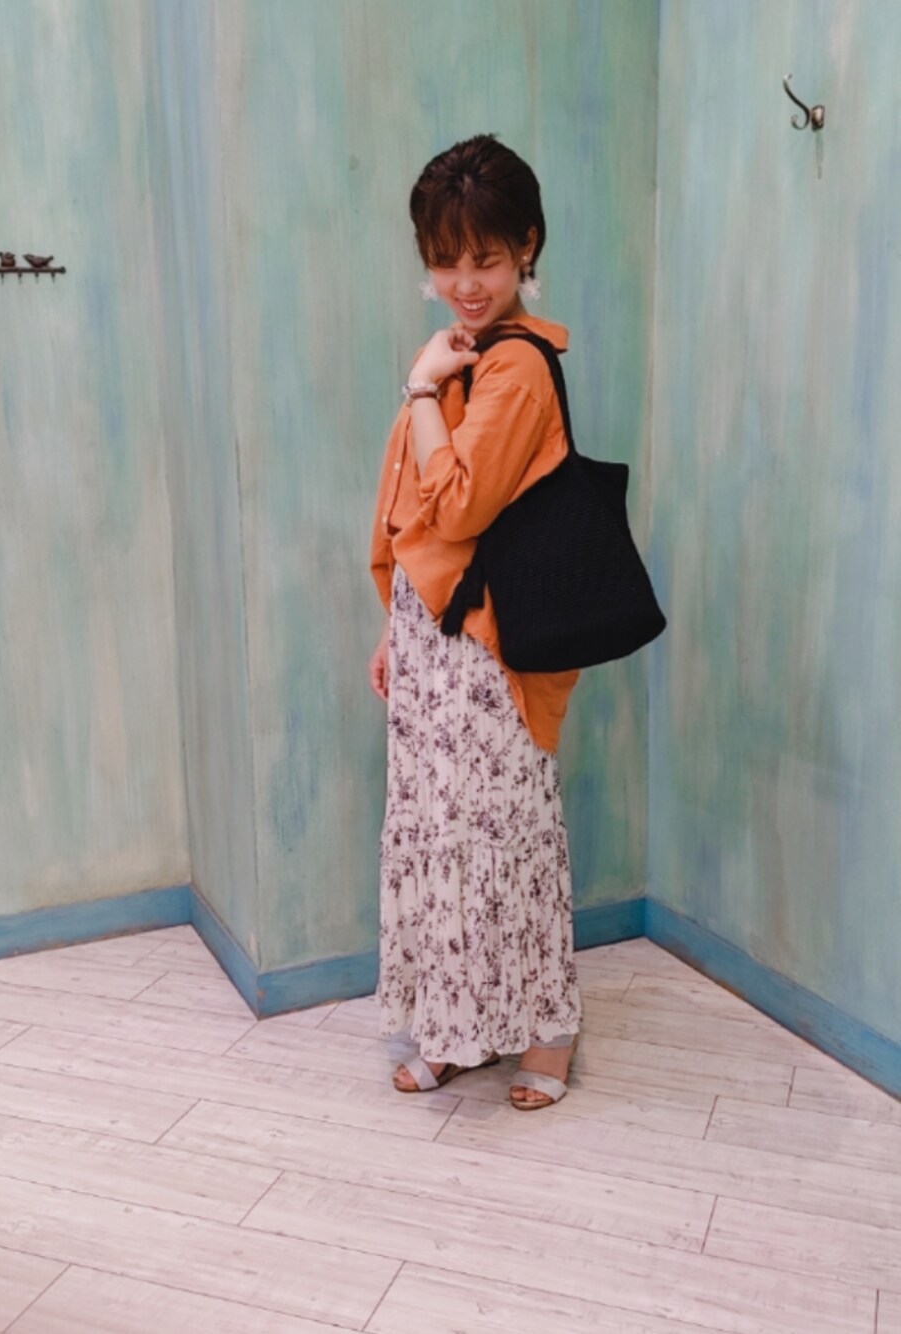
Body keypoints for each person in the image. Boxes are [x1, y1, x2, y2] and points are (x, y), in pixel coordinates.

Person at [367, 134, 584, 1110]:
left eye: (486, 259)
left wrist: (420, 388)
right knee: (441, 842)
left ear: (526, 247)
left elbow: (455, 506)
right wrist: (396, 626)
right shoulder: (463, 353)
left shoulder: (514, 369)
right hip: (433, 639)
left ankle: (547, 1034)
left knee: (505, 841)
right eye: (446, 259)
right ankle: (457, 1029)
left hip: (492, 646)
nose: (464, 283)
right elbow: (410, 513)